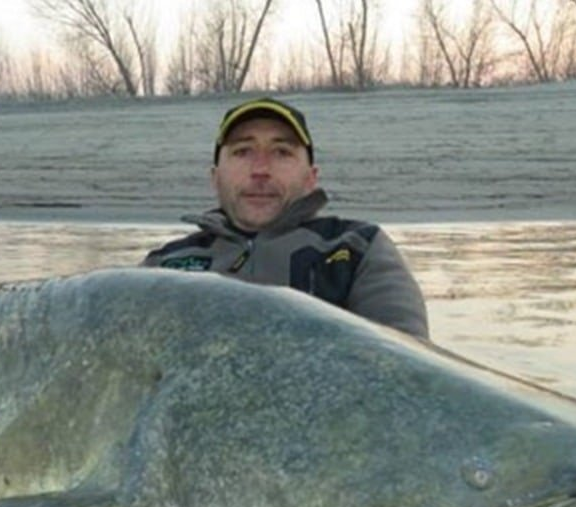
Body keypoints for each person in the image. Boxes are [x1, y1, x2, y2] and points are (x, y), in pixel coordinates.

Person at [141, 97, 428, 339]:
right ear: (215, 177)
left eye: (282, 152)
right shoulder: (163, 266)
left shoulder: (359, 248)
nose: (261, 169)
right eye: (242, 151)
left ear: (310, 178)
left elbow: (411, 370)